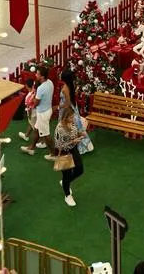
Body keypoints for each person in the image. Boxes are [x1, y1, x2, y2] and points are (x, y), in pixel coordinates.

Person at [53, 70, 88, 207]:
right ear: (66, 117)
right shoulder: (60, 129)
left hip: (73, 148)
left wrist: (80, 135)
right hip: (63, 151)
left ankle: (65, 183)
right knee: (66, 174)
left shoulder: (72, 124)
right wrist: (74, 140)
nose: (74, 119)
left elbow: (76, 133)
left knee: (79, 169)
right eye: (72, 117)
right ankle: (67, 194)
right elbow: (60, 145)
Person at [19, 65, 54, 153]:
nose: (35, 75)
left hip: (42, 113)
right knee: (36, 129)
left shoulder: (41, 88)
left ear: (42, 76)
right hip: (47, 110)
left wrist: (33, 97)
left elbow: (35, 103)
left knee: (46, 135)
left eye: (37, 74)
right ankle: (31, 148)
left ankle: (54, 154)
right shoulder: (50, 82)